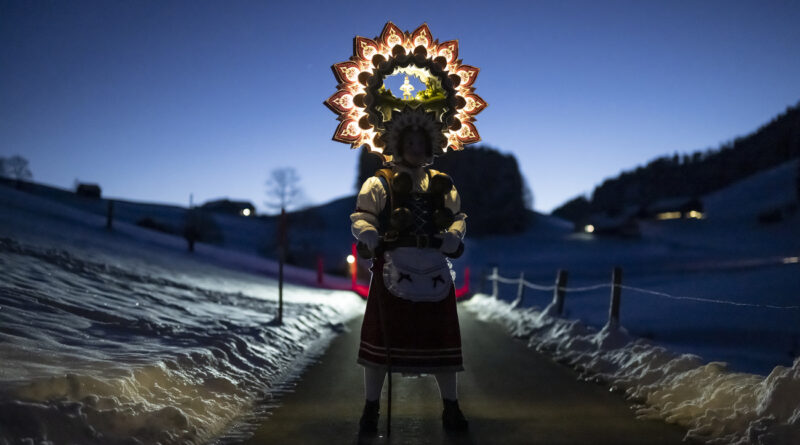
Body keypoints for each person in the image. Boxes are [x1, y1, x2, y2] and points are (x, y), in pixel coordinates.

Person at [350, 122, 469, 433]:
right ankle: (371, 409)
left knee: (442, 340)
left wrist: (454, 236)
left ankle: (451, 407)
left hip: (434, 267)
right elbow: (363, 215)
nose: (416, 148)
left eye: (421, 143)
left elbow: (457, 218)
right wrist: (369, 233)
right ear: (398, 144)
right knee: (379, 344)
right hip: (394, 264)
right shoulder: (380, 182)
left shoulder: (442, 182)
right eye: (411, 142)